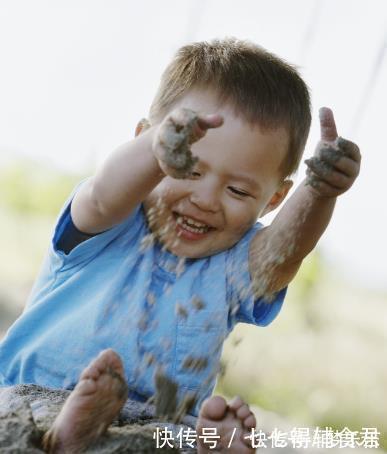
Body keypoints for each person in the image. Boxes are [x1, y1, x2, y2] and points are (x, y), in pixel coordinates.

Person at [0, 38, 360, 453]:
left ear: (274, 199)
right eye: (186, 167)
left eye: (239, 191)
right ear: (146, 141)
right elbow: (103, 193)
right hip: (37, 396)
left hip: (161, 428)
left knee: (185, 438)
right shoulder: (111, 219)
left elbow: (284, 253)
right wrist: (155, 152)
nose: (206, 200)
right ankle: (68, 434)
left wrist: (320, 191)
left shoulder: (232, 265)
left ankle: (211, 445)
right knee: (38, 423)